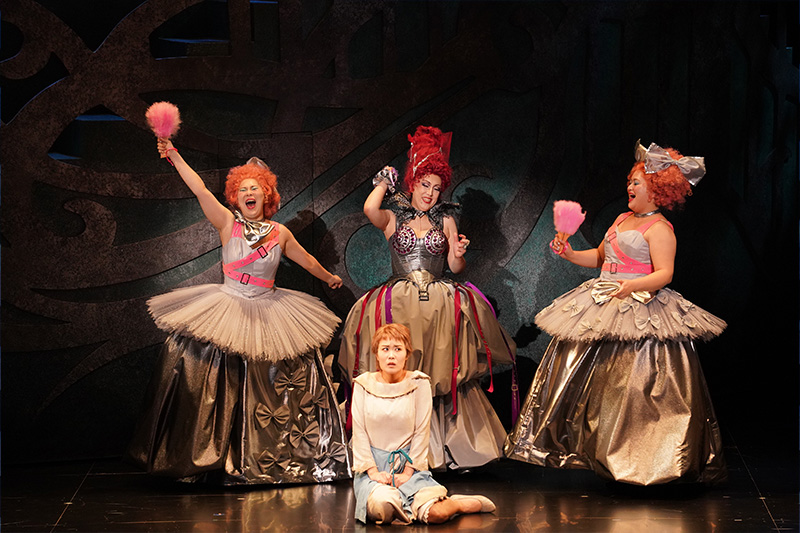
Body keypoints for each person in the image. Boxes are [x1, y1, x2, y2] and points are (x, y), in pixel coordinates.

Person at [127, 139, 351, 485]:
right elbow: (200, 189)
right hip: (229, 304)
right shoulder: (226, 223)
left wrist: (329, 277)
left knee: (280, 375)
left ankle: (275, 455)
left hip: (269, 309)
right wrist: (174, 155)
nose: (249, 193)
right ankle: (213, 456)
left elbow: (306, 260)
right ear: (236, 195)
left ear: (266, 195)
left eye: (255, 188)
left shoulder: (280, 233)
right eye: (243, 188)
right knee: (216, 371)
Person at [505, 140, 728, 486]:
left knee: (633, 383)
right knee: (587, 377)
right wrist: (569, 253)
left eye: (636, 182)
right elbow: (600, 257)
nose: (629, 187)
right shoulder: (622, 218)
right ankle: (590, 450)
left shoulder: (660, 228)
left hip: (638, 304)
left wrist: (632, 286)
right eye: (629, 182)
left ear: (656, 189)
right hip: (604, 297)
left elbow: (665, 274)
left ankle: (641, 461)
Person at [339, 126, 517, 471]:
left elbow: (455, 267)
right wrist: (383, 183)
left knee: (440, 370)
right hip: (400, 300)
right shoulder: (394, 215)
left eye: (436, 188)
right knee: (404, 365)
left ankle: (443, 447)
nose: (430, 194)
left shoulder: (446, 218)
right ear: (412, 182)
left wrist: (459, 253)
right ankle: (396, 445)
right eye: (424, 185)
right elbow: (369, 209)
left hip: (438, 302)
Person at [352, 323, 496, 524]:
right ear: (377, 354)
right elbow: (359, 433)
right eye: (385, 349)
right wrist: (373, 472)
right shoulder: (363, 384)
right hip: (373, 469)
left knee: (437, 514)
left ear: (407, 354)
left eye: (398, 349)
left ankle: (456, 504)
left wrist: (407, 472)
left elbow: (422, 432)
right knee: (383, 507)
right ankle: (406, 504)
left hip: (408, 465)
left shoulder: (418, 383)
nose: (391, 356)